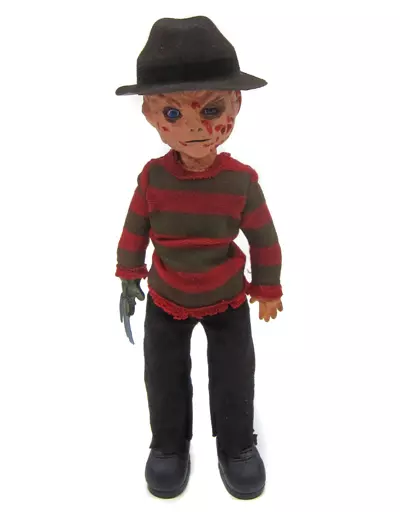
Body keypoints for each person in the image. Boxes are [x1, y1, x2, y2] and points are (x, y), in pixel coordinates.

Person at [115, 15, 283, 500]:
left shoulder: (241, 182)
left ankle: (237, 444)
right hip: (165, 296)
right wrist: (129, 276)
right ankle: (169, 444)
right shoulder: (152, 179)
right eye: (173, 113)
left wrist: (267, 287)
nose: (194, 127)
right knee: (163, 375)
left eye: (210, 110)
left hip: (227, 297)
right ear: (150, 115)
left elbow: (264, 237)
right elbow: (134, 229)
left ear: (235, 106)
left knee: (234, 373)